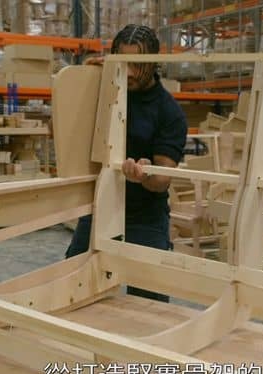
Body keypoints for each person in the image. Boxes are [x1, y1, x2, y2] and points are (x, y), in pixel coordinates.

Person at [65, 24, 188, 303]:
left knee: (149, 304)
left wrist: (144, 175)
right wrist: (85, 80)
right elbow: (67, 126)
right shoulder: (105, 91)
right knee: (73, 289)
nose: (129, 72)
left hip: (145, 217)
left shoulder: (169, 113)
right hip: (100, 207)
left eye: (137, 64)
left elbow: (161, 181)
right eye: (123, 62)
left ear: (153, 63)